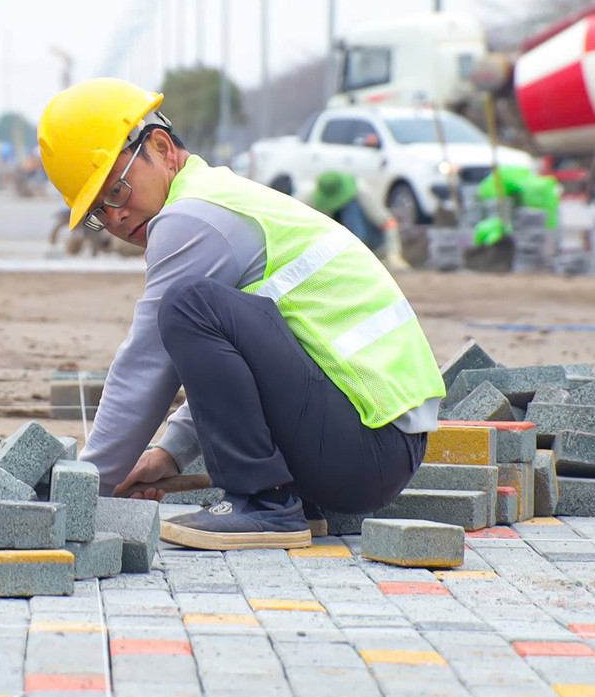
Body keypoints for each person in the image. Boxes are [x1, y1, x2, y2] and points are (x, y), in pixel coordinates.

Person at [38, 79, 445, 550]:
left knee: (189, 306)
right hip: (377, 444)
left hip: (367, 442)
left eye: (117, 192)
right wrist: (170, 453)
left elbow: (145, 364)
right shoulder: (221, 197)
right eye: (97, 213)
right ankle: (281, 501)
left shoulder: (191, 217)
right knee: (198, 309)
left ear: (162, 147)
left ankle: (264, 504)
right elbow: (247, 367)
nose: (116, 218)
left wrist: (88, 488)